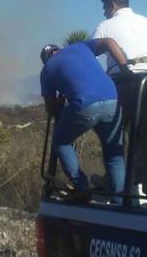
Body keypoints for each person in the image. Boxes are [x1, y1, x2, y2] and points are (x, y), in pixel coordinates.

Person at [91, 0, 147, 201]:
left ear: (113, 5)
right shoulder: (146, 21)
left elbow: (91, 52)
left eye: (105, 7)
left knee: (115, 136)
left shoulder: (105, 26)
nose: (104, 12)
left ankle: (116, 187)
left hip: (122, 83)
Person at [40, 38, 131, 196]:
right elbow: (109, 41)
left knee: (61, 140)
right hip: (112, 99)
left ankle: (81, 187)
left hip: (84, 105)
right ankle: (120, 201)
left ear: (46, 59)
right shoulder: (81, 47)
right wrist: (124, 68)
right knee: (113, 154)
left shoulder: (47, 69)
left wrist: (60, 105)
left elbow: (51, 109)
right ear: (58, 50)